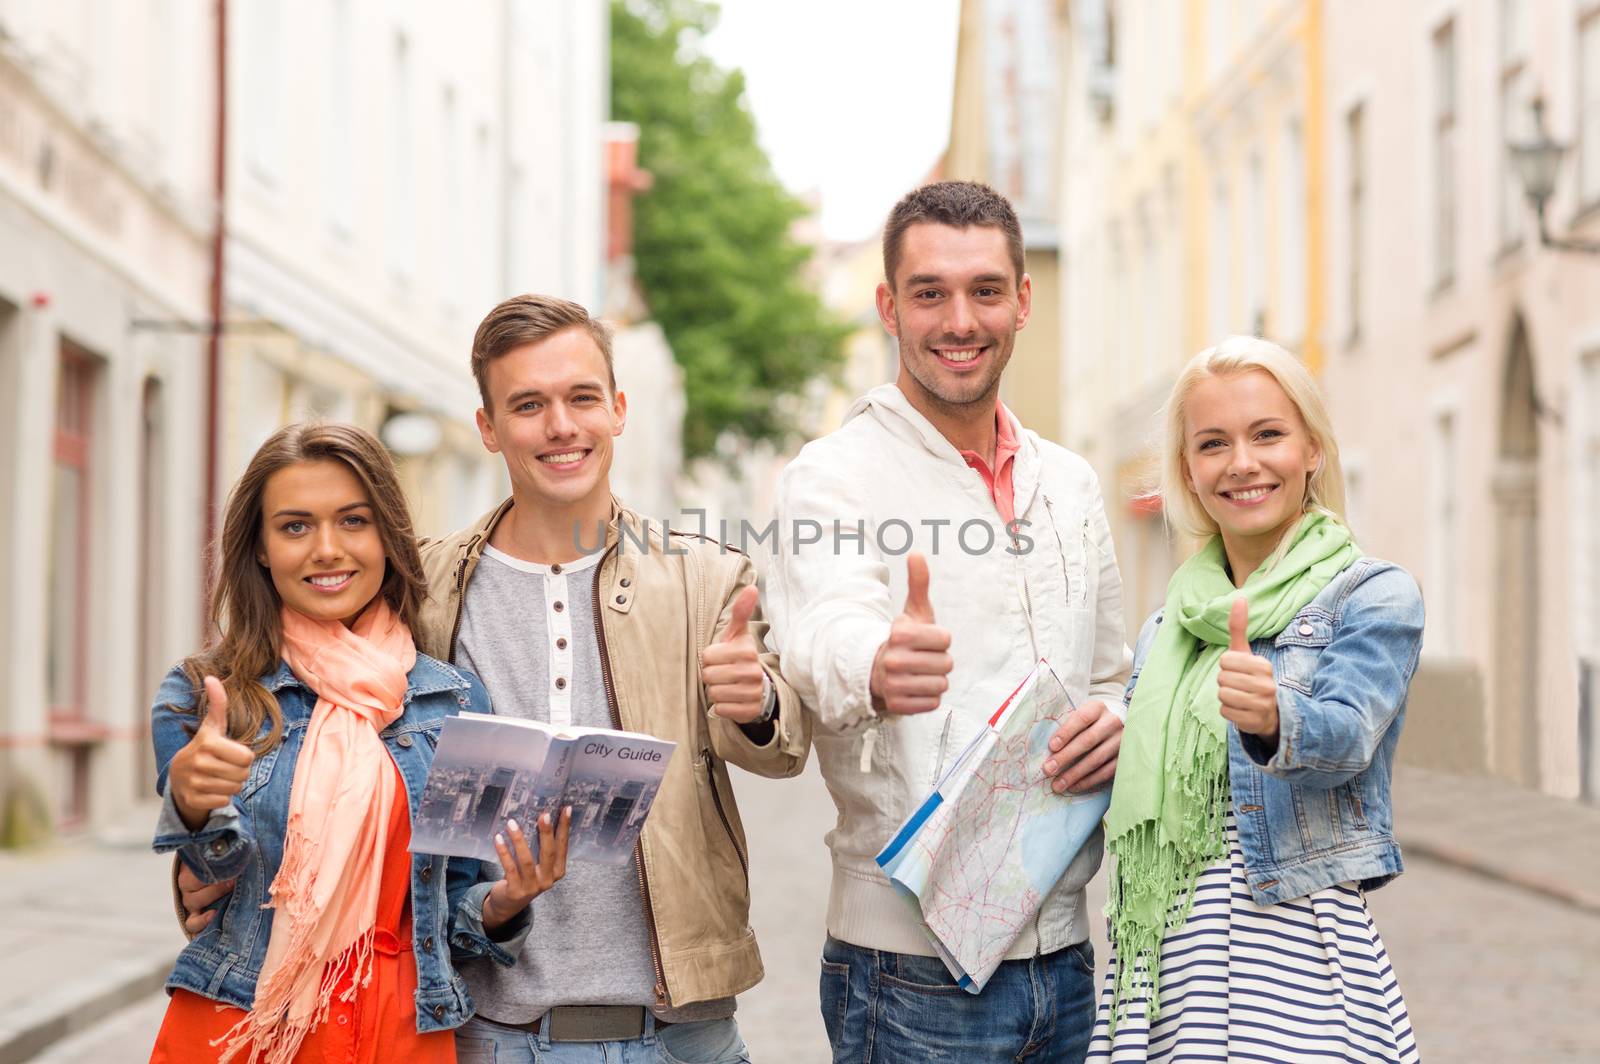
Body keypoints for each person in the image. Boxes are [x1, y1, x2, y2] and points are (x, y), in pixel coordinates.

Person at [764, 180, 1132, 1062]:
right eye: (929, 293)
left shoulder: (1072, 483)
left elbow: (1113, 671)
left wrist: (1117, 722)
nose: (959, 320)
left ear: (1022, 300)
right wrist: (878, 666)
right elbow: (822, 634)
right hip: (909, 976)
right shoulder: (832, 476)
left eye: (984, 291)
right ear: (889, 306)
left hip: (1066, 957)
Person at [151, 422, 566, 1064]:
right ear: (260, 548)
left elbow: (453, 909)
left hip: (400, 1023)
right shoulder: (203, 695)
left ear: (387, 535)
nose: (326, 549)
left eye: (352, 521)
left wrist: (508, 899)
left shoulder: (456, 702)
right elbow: (209, 885)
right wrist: (190, 803)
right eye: (294, 526)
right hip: (245, 1017)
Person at [1086, 336, 1423, 1062]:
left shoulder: (1372, 596)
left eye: (1267, 434)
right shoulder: (1167, 628)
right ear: (1190, 471)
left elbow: (1347, 737)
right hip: (1169, 969)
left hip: (1300, 961)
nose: (1241, 462)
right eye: (1213, 444)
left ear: (1312, 450)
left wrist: (1277, 719)